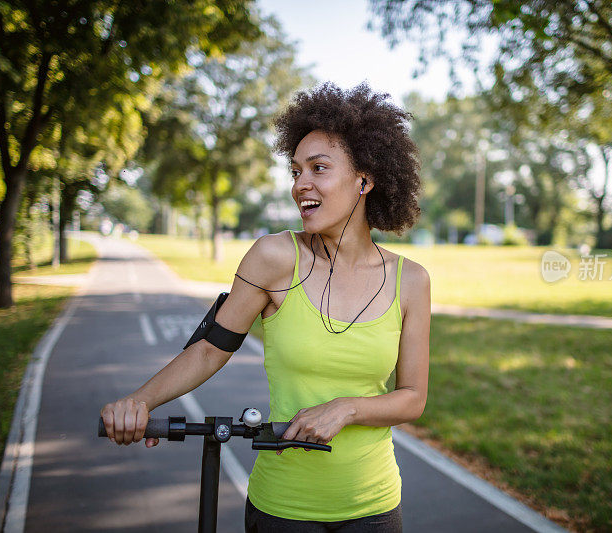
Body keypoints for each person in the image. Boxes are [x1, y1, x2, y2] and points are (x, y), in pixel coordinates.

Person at [100, 82, 431, 533]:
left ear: (365, 180)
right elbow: (209, 349)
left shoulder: (410, 280)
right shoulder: (274, 258)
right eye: (296, 171)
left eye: (319, 168)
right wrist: (139, 402)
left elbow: (412, 398)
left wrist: (347, 408)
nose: (301, 185)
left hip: (374, 508)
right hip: (283, 509)